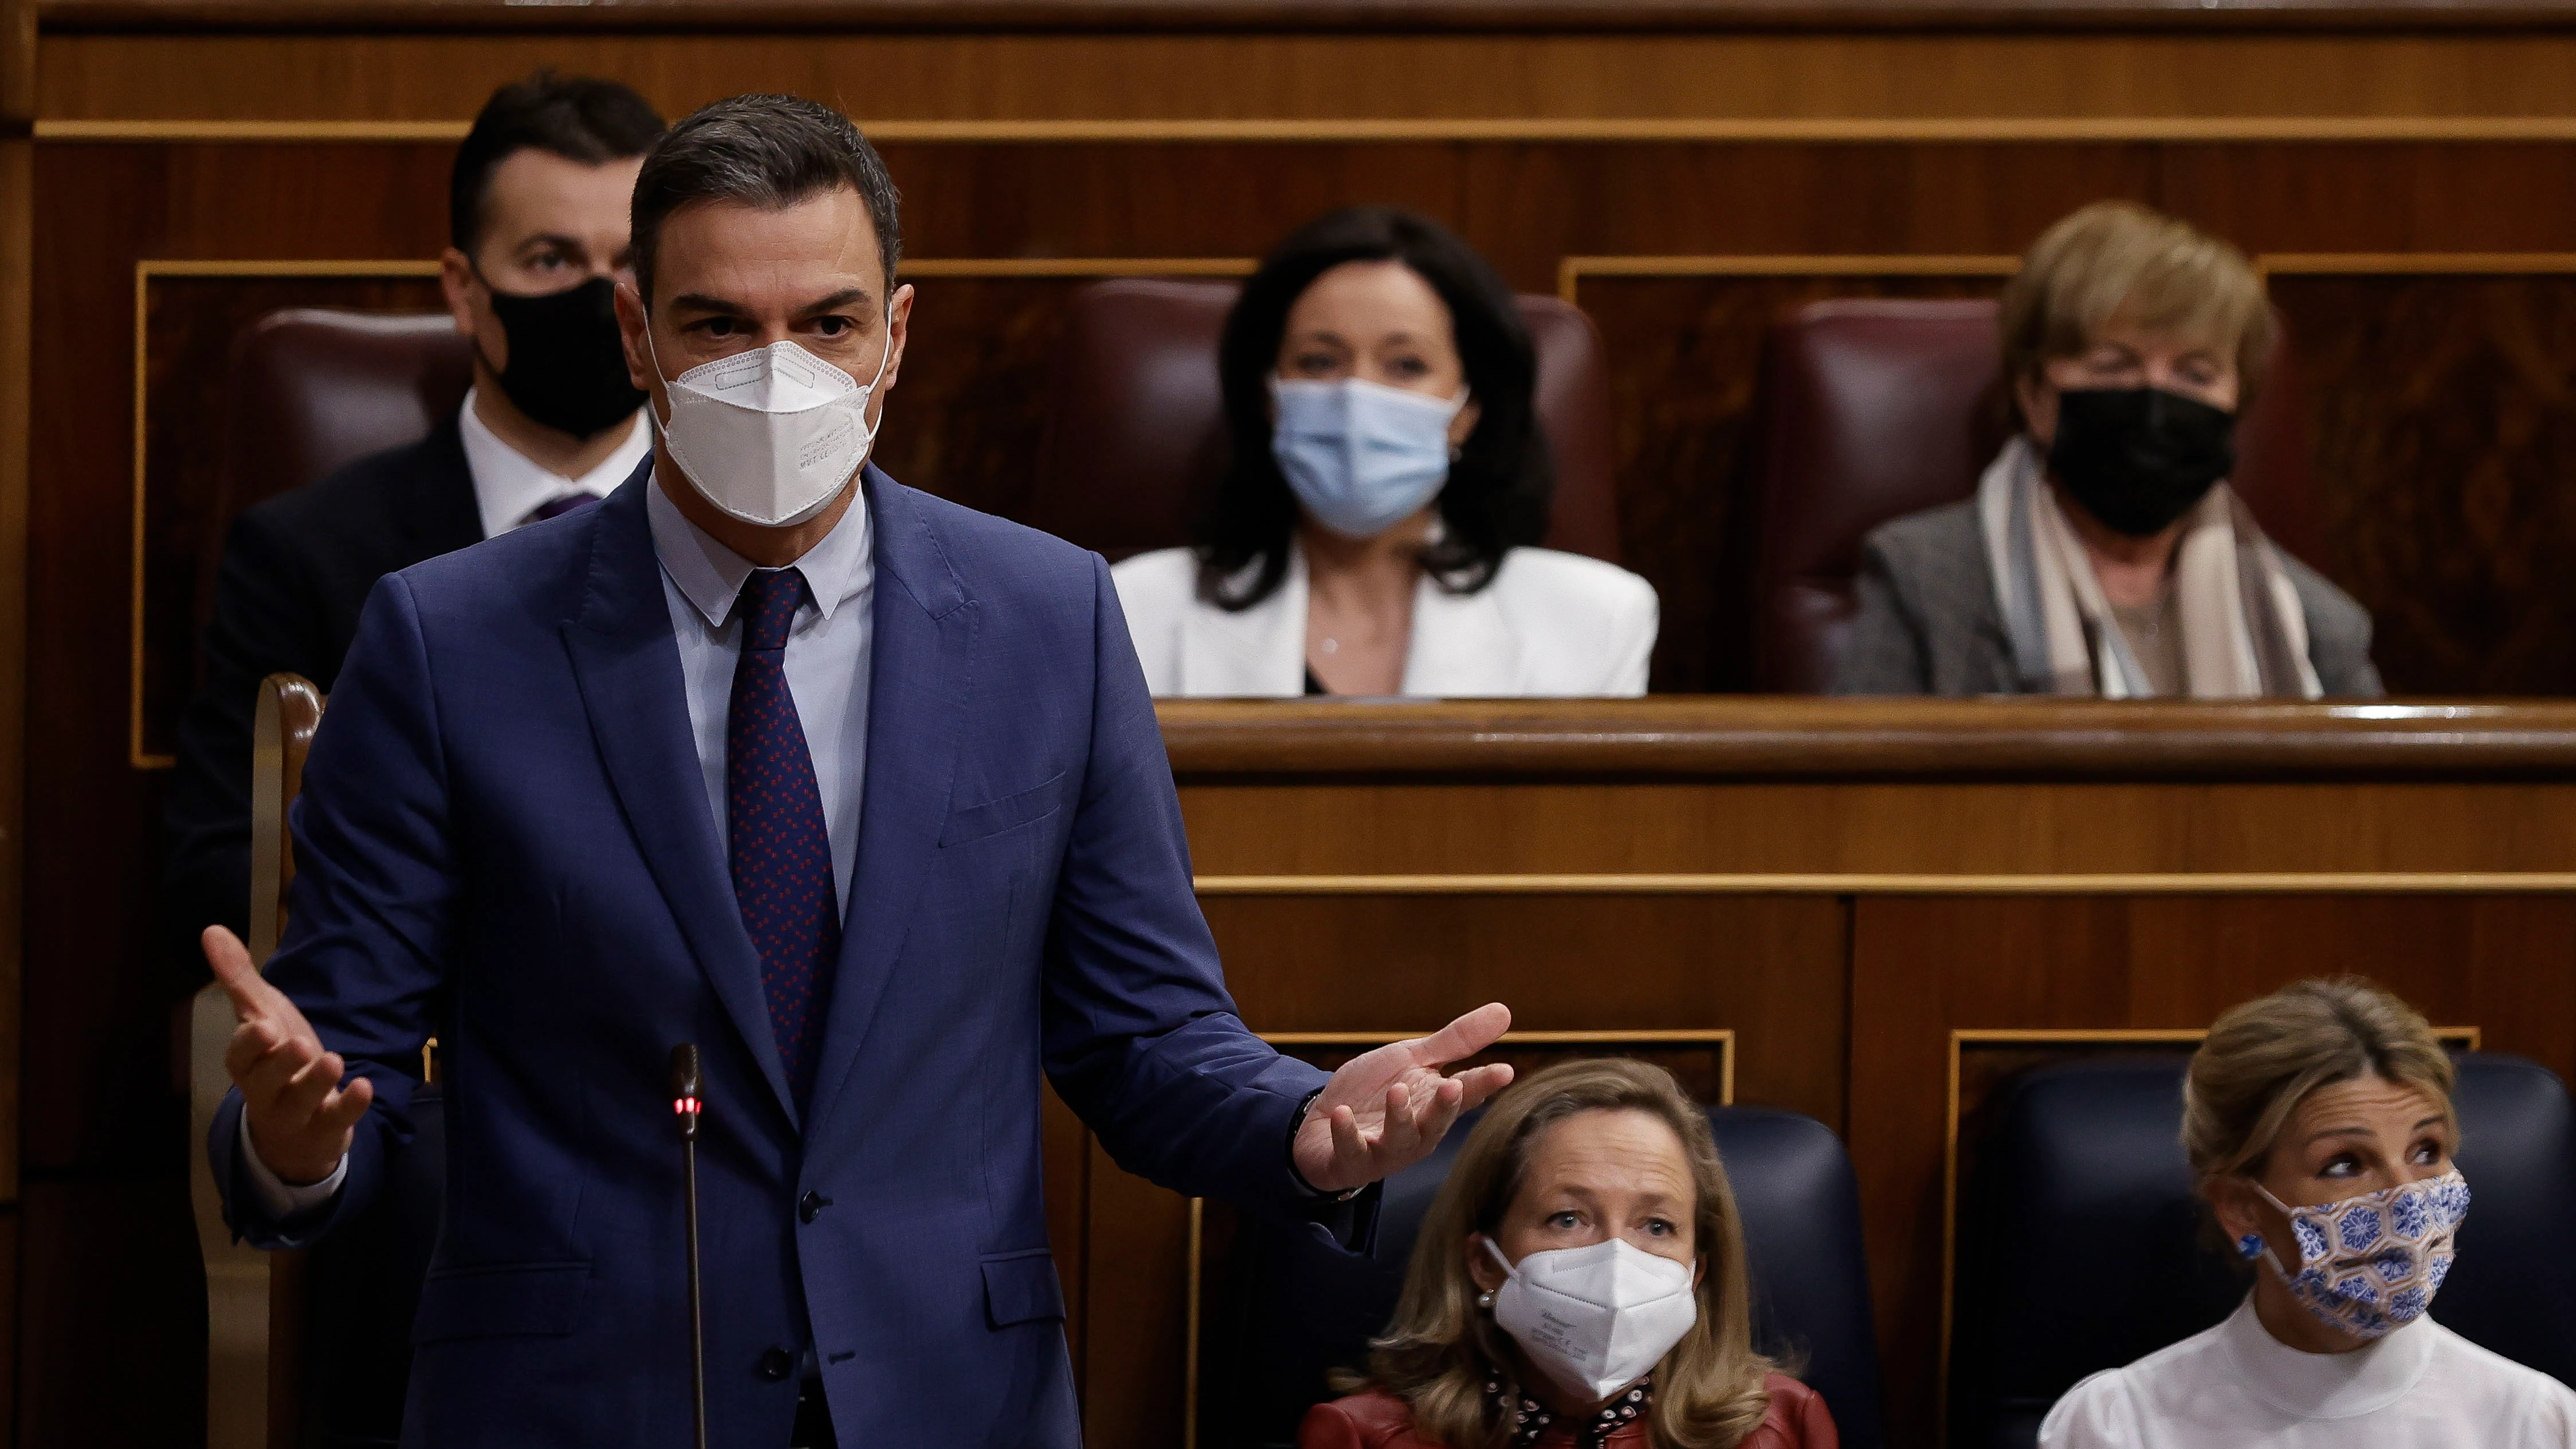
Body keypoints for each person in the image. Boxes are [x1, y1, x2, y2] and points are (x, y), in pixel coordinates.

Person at [202, 93, 1520, 1449]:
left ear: (894, 336)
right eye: (719, 323)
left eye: (827, 322)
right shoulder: (445, 637)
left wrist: (1304, 1122)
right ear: (636, 335)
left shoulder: (1044, 615)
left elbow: (1142, 1034)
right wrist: (294, 1147)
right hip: (579, 1399)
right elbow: (340, 1066)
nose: (778, 372)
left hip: (948, 1393)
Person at [163, 70, 665, 962]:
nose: (601, 298)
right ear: (464, 289)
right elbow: (226, 859)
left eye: (628, 265)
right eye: (551, 260)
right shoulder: (304, 554)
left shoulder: (752, 530)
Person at [1833, 201, 2381, 698]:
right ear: (2036, 397)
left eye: (2195, 374)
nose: (2155, 403)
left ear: (2238, 405)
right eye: (2115, 366)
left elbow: (2369, 809)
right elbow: (1856, 804)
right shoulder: (1923, 584)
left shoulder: (2315, 626)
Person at [1112, 206, 1658, 697]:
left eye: (1406, 365)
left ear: (1467, 411)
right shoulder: (1135, 611)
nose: (1357, 397)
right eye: (1319, 362)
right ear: (1270, 397)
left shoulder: (1595, 621)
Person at [2040, 979, 2576, 1447]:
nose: (2407, 1197)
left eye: (2427, 1151)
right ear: (2241, 1207)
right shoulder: (2118, 1427)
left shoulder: (2539, 1424)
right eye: (2345, 1163)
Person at [1302, 1058, 1838, 1449]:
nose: (1615, 1261)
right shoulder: (1363, 1436)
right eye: (1568, 1218)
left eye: (1657, 1225)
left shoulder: (1784, 1427)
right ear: (1486, 1262)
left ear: (1695, 1273)